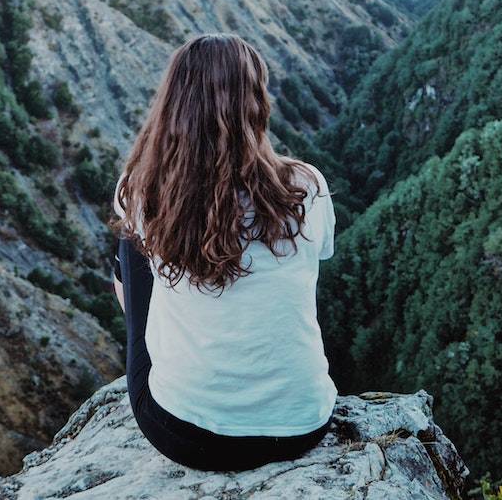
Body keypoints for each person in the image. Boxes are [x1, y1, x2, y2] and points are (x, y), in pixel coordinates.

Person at [108, 33, 337, 472]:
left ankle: (192, 367)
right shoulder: (306, 186)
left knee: (132, 242)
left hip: (184, 434)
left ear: (174, 106)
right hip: (303, 423)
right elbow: (312, 267)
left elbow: (130, 285)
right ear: (256, 103)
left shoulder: (142, 190)